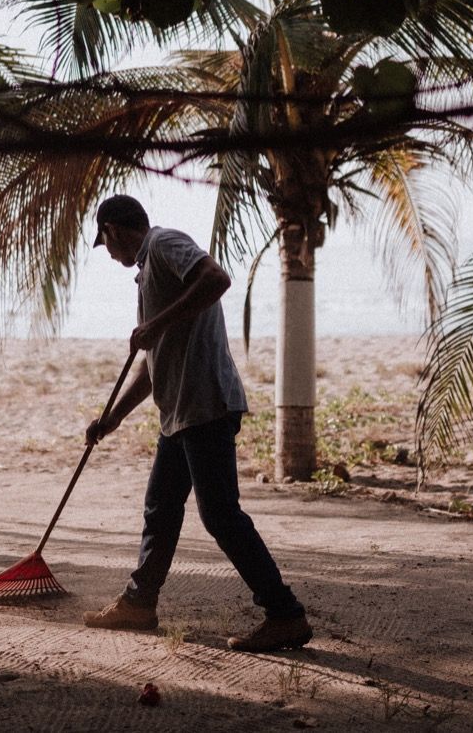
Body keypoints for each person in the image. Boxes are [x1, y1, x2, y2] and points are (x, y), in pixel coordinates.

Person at [81, 194, 312, 652]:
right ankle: (139, 603)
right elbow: (151, 364)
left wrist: (158, 323)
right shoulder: (148, 273)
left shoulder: (163, 243)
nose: (108, 253)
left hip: (205, 405)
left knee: (220, 515)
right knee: (161, 509)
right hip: (180, 414)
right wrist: (112, 419)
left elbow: (216, 279)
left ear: (113, 230)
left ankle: (284, 613)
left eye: (104, 243)